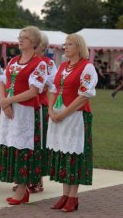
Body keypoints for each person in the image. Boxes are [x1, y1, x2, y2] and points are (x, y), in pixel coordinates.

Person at [47, 33, 98, 212]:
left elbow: (85, 95)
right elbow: (54, 89)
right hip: (59, 115)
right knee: (62, 153)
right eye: (65, 44)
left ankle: (73, 197)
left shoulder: (87, 67)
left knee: (73, 155)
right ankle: (65, 194)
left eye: (69, 44)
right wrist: (51, 110)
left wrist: (64, 113)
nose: (65, 47)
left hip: (75, 117)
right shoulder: (62, 66)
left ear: (78, 47)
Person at [0, 26, 47, 205]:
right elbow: (2, 82)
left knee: (23, 148)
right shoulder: (13, 61)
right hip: (10, 110)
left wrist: (9, 101)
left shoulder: (39, 64)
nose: (20, 40)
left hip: (26, 112)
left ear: (33, 42)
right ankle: (19, 185)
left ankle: (22, 189)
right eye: (19, 37)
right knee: (12, 145)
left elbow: (34, 91)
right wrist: (4, 102)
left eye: (24, 37)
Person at [26, 33, 57, 193]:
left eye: (34, 44)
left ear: (42, 47)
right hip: (23, 106)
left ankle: (37, 179)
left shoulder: (48, 63)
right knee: (24, 143)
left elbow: (49, 85)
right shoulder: (23, 60)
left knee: (38, 143)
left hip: (39, 106)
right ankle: (23, 178)